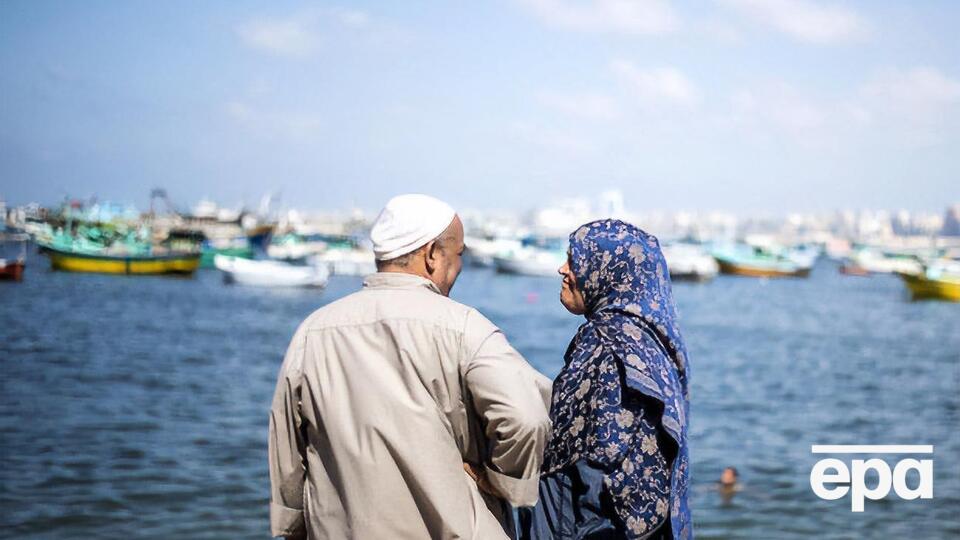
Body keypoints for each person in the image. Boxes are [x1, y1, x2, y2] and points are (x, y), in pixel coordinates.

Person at [268, 194, 552, 540]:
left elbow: (288, 451)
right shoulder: (464, 327)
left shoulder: (314, 331)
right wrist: (501, 482)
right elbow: (526, 417)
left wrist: (294, 524)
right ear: (432, 254)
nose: (459, 268)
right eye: (458, 255)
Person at [519, 219, 692, 540]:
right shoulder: (653, 337)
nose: (562, 269)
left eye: (574, 259)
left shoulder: (604, 340)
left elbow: (588, 468)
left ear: (607, 271)